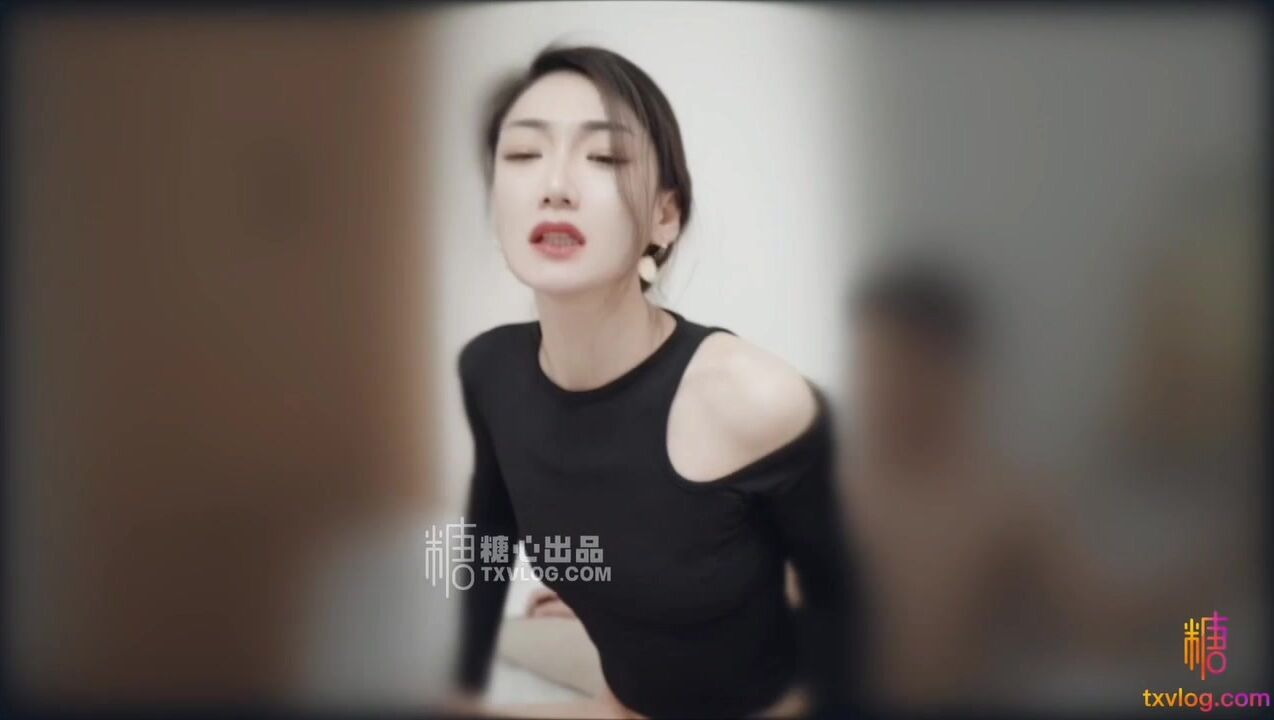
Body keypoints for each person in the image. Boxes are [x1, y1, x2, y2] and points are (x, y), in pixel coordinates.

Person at [446, 45, 857, 719]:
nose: (555, 185)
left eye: (604, 158)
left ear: (665, 216)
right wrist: (465, 684)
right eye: (522, 155)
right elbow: (492, 531)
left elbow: (855, 612)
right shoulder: (488, 369)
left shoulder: (755, 399)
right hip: (622, 697)